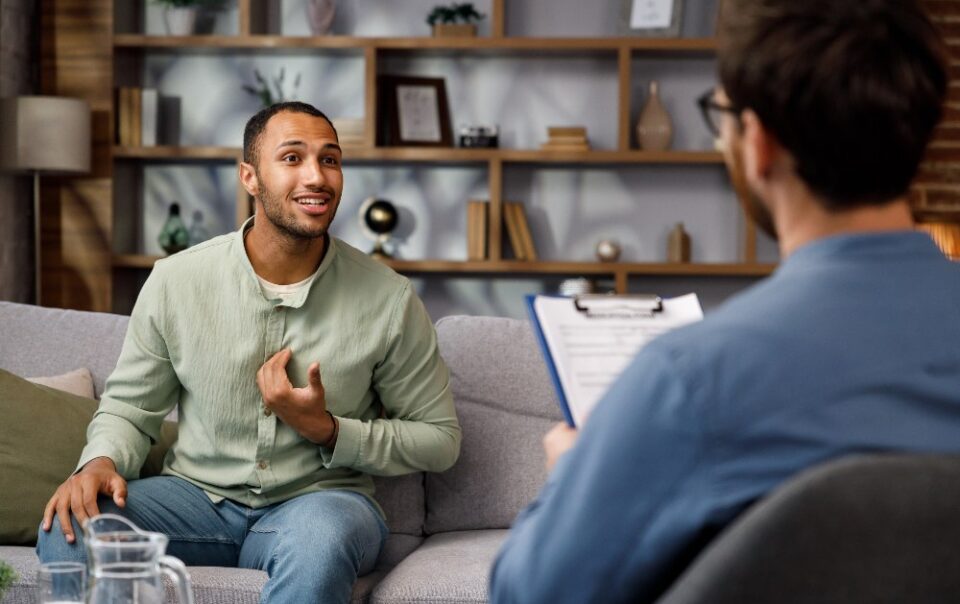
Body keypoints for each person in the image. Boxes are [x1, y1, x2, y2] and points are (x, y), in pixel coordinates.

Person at [489, 1, 960, 602]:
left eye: (723, 116)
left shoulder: (692, 381)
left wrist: (568, 480)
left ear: (757, 142)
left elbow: (532, 595)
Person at [37, 101, 462, 603]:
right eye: (292, 158)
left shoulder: (388, 299)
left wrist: (326, 430)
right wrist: (100, 462)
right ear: (249, 177)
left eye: (330, 160)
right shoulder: (176, 282)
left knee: (322, 540)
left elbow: (440, 440)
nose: (317, 177)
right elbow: (132, 408)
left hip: (320, 505)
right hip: (192, 500)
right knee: (66, 527)